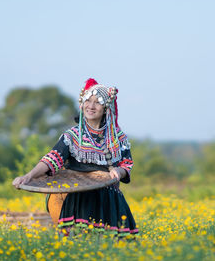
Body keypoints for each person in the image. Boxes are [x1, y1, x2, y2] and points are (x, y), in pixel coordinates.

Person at [12, 78, 138, 237]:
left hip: (109, 200)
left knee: (113, 248)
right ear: (82, 104)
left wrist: (118, 172)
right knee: (78, 243)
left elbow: (126, 165)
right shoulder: (71, 136)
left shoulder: (118, 138)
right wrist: (28, 176)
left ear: (105, 108)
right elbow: (51, 159)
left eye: (97, 102)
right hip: (79, 199)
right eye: (88, 101)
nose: (91, 106)